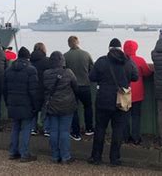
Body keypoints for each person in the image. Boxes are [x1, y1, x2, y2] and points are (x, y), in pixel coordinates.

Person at [88, 38, 138, 166]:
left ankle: (96, 157)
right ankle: (114, 159)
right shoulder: (127, 61)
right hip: (121, 100)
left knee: (100, 129)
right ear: (120, 48)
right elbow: (135, 77)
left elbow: (92, 77)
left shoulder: (101, 61)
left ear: (109, 48)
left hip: (103, 99)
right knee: (118, 130)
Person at [4, 47, 42, 162]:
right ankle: (24, 154)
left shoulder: (8, 70)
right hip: (26, 104)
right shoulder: (31, 70)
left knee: (15, 127)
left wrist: (8, 103)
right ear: (28, 57)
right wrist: (36, 106)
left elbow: (4, 89)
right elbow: (33, 91)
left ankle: (12, 152)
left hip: (12, 103)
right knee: (26, 128)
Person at [43, 51, 79, 164]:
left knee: (54, 131)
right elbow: (75, 86)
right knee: (64, 131)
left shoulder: (46, 73)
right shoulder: (68, 72)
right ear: (62, 61)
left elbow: (46, 88)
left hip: (52, 105)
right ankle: (65, 156)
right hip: (67, 105)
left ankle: (55, 156)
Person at [64, 35, 95, 141]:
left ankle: (76, 133)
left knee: (74, 109)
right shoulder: (86, 54)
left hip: (72, 87)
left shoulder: (65, 56)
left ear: (69, 44)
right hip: (85, 85)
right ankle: (89, 128)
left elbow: (63, 71)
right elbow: (92, 68)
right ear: (78, 42)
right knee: (88, 107)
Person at [123, 40, 153, 145]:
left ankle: (125, 137)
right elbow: (147, 72)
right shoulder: (139, 60)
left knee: (125, 115)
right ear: (136, 49)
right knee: (136, 116)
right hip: (137, 93)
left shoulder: (120, 60)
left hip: (124, 92)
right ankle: (136, 138)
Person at [30, 42, 50, 136]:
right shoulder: (47, 61)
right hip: (45, 88)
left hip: (33, 89)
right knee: (45, 109)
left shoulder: (30, 61)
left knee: (33, 109)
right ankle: (46, 129)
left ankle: (33, 128)